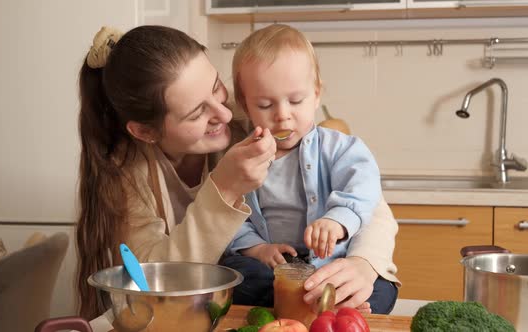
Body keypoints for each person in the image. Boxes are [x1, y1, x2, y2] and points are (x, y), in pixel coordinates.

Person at [75, 25, 399, 320]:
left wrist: (363, 264)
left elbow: (373, 208)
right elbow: (150, 282)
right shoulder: (126, 176)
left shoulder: (259, 127)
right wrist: (224, 191)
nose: (226, 113)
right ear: (146, 132)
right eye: (198, 112)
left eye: (217, 87)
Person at [222, 24, 398, 314]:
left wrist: (338, 220)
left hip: (330, 263)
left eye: (296, 100)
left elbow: (365, 188)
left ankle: (340, 304)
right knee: (237, 274)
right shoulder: (241, 159)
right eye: (265, 104)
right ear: (245, 105)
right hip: (275, 268)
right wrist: (256, 248)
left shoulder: (341, 148)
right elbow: (230, 215)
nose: (282, 115)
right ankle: (312, 306)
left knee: (382, 286)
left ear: (316, 95)